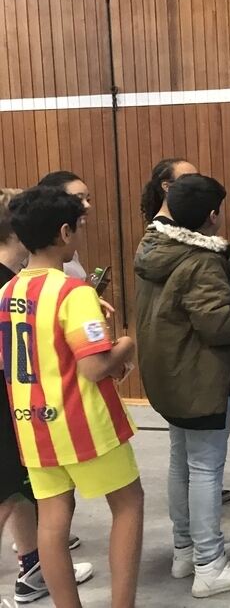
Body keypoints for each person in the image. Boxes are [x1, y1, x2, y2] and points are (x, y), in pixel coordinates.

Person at [4, 186, 144, 608]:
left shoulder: (7, 292)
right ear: (65, 232)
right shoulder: (74, 292)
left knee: (51, 520)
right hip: (83, 422)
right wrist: (126, 344)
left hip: (31, 424)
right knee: (128, 504)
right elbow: (95, 366)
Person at [133, 174, 230, 598]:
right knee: (205, 468)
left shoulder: (154, 247)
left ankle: (186, 549)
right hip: (199, 377)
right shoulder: (202, 260)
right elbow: (219, 325)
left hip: (167, 374)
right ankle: (209, 564)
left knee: (182, 462)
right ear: (212, 216)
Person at [0, 188, 94, 603]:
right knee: (7, 495)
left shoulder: (17, 283)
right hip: (21, 407)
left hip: (22, 409)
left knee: (23, 494)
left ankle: (32, 566)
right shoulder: (12, 286)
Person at [37, 171, 92, 280]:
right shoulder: (48, 252)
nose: (87, 205)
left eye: (88, 199)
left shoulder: (70, 248)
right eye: (78, 199)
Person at [140, 157, 199, 224]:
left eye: (197, 178)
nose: (197, 184)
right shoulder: (160, 229)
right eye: (187, 180)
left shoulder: (190, 221)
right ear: (167, 186)